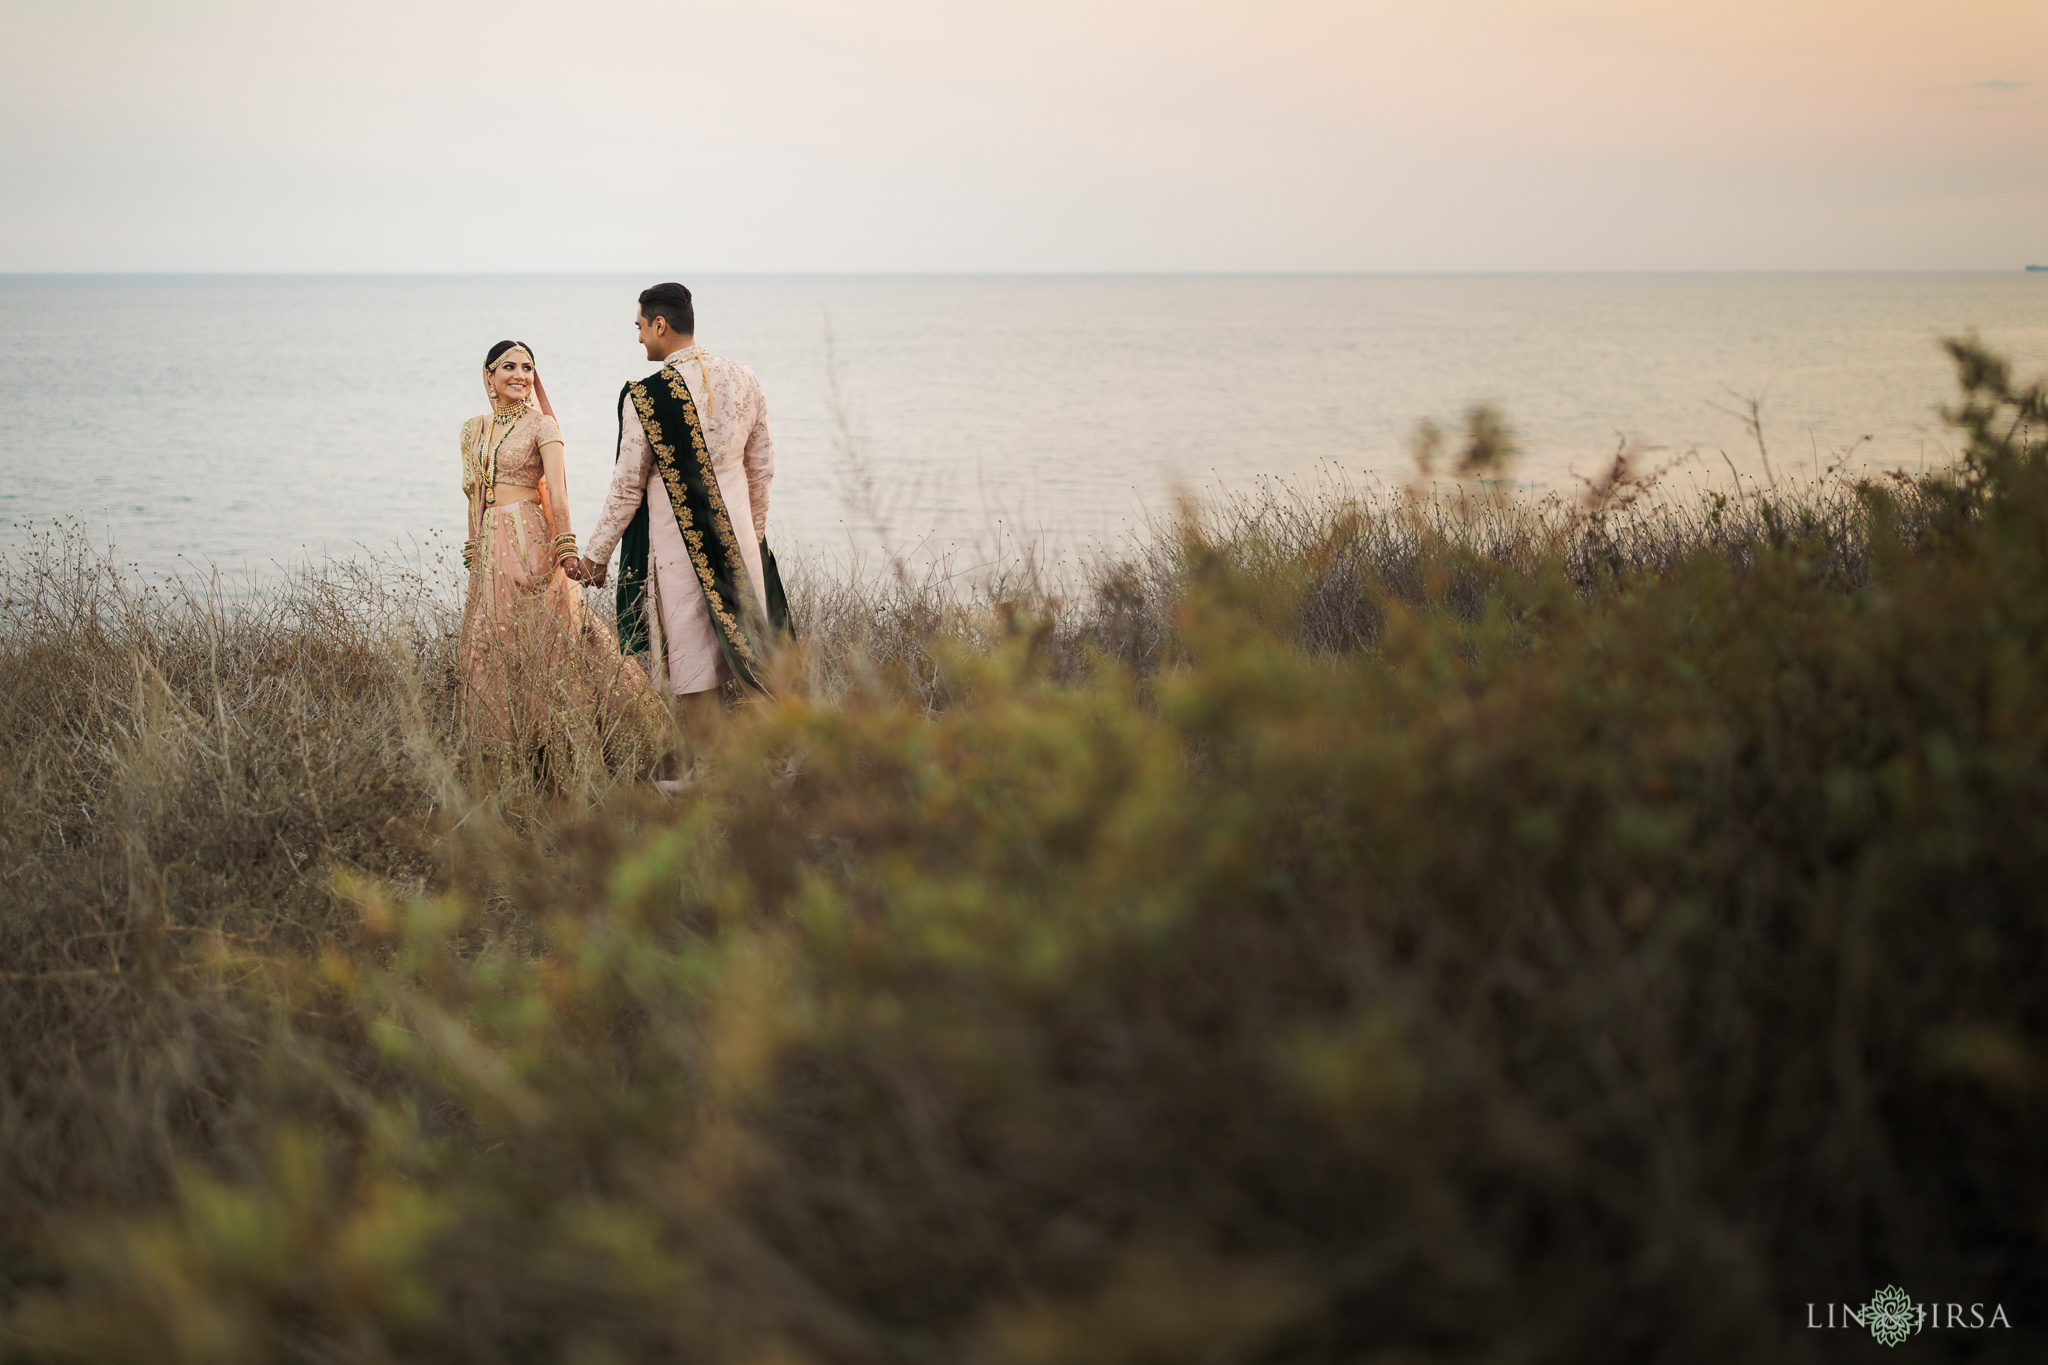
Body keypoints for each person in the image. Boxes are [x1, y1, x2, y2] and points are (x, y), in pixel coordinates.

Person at [569, 283, 791, 742]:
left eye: (640, 328)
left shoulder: (646, 397)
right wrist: (754, 537)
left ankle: (708, 769)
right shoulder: (745, 378)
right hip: (740, 544)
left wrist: (595, 557)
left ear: (660, 325)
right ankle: (784, 758)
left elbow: (626, 486)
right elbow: (762, 469)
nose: (639, 339)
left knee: (693, 659)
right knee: (752, 649)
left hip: (680, 549)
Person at [458, 339, 647, 758]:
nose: (521, 375)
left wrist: (566, 548)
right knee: (489, 641)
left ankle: (563, 749)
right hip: (490, 547)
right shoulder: (474, 429)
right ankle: (501, 752)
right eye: (509, 367)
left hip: (531, 543)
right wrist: (473, 544)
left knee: (552, 639)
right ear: (489, 374)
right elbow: (475, 494)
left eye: (528, 367)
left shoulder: (543, 426)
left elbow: (557, 494)